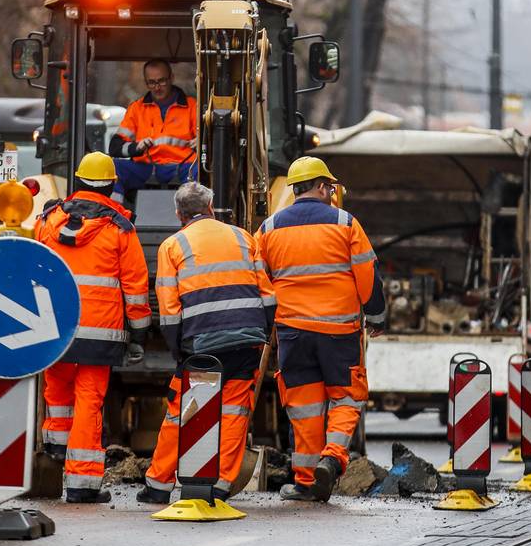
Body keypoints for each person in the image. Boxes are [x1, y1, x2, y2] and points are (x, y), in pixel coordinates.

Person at [255, 155, 385, 502]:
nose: (331, 191)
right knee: (345, 397)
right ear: (322, 186)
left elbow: (256, 277)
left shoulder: (268, 229)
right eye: (329, 186)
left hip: (292, 332)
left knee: (304, 406)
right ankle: (332, 458)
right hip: (338, 331)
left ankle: (306, 483)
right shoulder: (345, 223)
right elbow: (367, 273)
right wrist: (377, 315)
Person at [138, 180, 276, 505]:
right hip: (247, 339)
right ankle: (221, 485)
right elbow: (268, 295)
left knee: (184, 410)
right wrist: (262, 333)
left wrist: (178, 351)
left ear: (178, 214)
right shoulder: (243, 237)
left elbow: (170, 311)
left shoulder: (172, 246)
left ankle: (159, 484)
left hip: (201, 344)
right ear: (211, 209)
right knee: (234, 411)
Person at [35, 151, 151, 503]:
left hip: (53, 327)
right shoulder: (119, 228)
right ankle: (83, 484)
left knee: (57, 392)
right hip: (100, 332)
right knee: (89, 400)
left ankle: (55, 452)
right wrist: (139, 335)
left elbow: (33, 269)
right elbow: (135, 286)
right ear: (113, 184)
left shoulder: (48, 220)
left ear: (78, 181)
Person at [109, 59, 197, 199]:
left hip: (184, 167)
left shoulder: (192, 106)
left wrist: (199, 142)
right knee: (112, 167)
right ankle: (116, 217)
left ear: (171, 78)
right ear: (146, 83)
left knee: (200, 172)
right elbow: (115, 147)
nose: (157, 87)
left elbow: (206, 141)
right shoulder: (136, 109)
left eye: (161, 81)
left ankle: (195, 219)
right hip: (146, 168)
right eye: (152, 82)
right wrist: (137, 147)